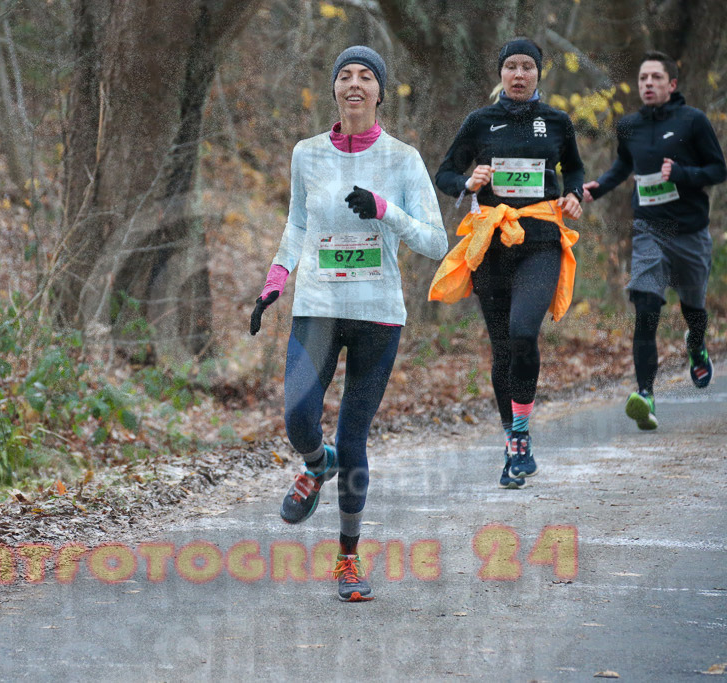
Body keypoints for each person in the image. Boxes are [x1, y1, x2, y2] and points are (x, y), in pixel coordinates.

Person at [250, 45, 447, 602]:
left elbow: (436, 242)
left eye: (366, 76)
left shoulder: (403, 159)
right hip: (317, 305)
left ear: (381, 92)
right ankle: (318, 463)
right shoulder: (307, 153)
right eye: (345, 76)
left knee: (354, 436)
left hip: (377, 314)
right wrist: (274, 281)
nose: (354, 84)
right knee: (297, 416)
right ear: (334, 89)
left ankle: (347, 558)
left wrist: (386, 209)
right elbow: (296, 224)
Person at [430, 38, 584, 489]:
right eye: (511, 67)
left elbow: (573, 168)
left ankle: (519, 431)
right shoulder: (480, 122)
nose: (519, 75)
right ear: (500, 73)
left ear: (539, 73)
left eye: (527, 67)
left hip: (539, 243)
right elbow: (445, 173)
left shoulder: (556, 122)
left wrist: (573, 194)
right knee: (502, 349)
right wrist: (467, 180)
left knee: (522, 333)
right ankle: (513, 439)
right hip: (491, 247)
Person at [582, 50, 726, 430]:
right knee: (646, 307)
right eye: (643, 78)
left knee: (693, 306)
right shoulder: (628, 125)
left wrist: (682, 173)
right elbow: (623, 165)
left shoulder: (692, 121)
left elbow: (718, 169)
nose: (647, 83)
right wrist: (597, 188)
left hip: (691, 232)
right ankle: (645, 395)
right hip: (650, 229)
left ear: (671, 84)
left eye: (656, 78)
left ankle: (696, 345)